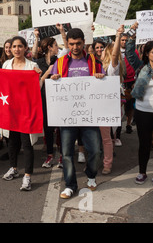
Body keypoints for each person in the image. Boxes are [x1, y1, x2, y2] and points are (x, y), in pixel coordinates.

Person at [50, 28, 105, 199]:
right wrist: (54, 79)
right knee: (66, 153)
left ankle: (90, 175)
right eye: (71, 44)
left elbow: (103, 84)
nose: (75, 47)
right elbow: (53, 85)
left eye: (78, 43)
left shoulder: (94, 62)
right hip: (67, 117)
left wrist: (100, 78)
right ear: (67, 44)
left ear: (83, 42)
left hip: (89, 115)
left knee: (95, 150)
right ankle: (70, 185)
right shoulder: (59, 63)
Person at [1, 36, 42, 191]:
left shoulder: (32, 66)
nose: (17, 49)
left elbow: (36, 89)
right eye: (14, 46)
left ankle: (28, 176)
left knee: (27, 143)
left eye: (20, 46)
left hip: (26, 111)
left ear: (26, 48)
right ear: (10, 49)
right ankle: (14, 167)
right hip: (11, 110)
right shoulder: (6, 64)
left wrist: (38, 75)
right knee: (12, 141)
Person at [125, 31, 153, 187]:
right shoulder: (140, 67)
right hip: (142, 112)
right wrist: (132, 32)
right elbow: (128, 51)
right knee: (144, 143)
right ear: (147, 53)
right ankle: (142, 172)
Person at [97, 26, 126, 175]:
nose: (99, 52)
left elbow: (115, 56)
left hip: (107, 108)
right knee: (100, 138)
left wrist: (118, 35)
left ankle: (107, 164)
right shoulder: (97, 66)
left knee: (106, 138)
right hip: (97, 107)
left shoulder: (111, 68)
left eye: (103, 50)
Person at [34, 34, 61, 169]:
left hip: (59, 98)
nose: (58, 47)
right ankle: (50, 154)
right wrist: (48, 73)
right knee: (48, 127)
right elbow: (37, 85)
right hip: (44, 98)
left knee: (61, 127)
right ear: (50, 47)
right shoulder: (38, 63)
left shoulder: (60, 60)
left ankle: (62, 155)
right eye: (56, 45)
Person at [121, 32, 139, 137]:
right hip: (121, 82)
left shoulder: (134, 51)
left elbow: (137, 67)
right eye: (122, 40)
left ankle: (128, 124)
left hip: (131, 81)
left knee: (130, 105)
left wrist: (136, 80)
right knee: (121, 104)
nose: (124, 42)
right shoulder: (116, 52)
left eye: (126, 40)